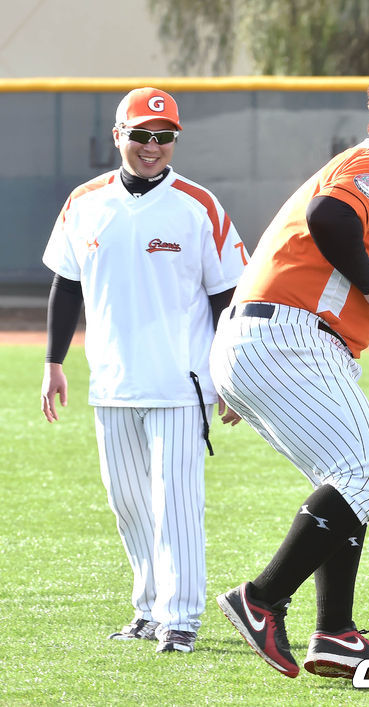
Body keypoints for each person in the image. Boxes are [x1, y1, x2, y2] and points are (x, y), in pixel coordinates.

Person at [210, 68, 369, 679]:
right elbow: (327, 217)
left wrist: (247, 368)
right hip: (288, 337)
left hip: (267, 337)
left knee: (348, 481)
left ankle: (336, 635)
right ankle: (261, 599)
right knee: (367, 473)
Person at [40, 87, 247, 654]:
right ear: (118, 136)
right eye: (141, 135)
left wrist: (231, 378)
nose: (152, 146)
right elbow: (66, 285)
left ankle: (181, 619)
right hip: (111, 382)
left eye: (164, 136)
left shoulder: (198, 205)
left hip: (182, 384)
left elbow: (227, 298)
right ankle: (149, 609)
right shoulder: (85, 202)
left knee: (175, 504)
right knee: (128, 505)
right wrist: (54, 361)